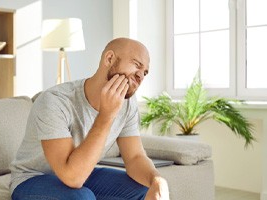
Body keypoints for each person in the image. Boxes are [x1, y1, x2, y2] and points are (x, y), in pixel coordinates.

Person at [10, 38, 169, 200]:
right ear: (109, 59)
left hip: (83, 172)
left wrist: (157, 181)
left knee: (144, 188)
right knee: (82, 198)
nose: (141, 75)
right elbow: (72, 177)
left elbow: (135, 157)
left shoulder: (127, 104)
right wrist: (106, 115)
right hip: (33, 178)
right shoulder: (55, 101)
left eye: (145, 72)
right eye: (137, 64)